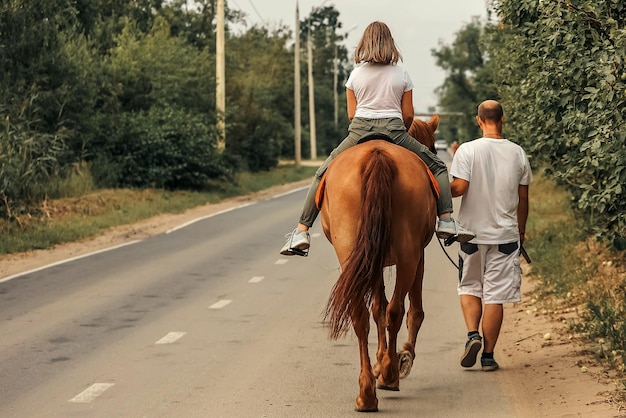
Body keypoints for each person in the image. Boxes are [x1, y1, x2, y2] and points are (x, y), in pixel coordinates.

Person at [280, 21, 474, 256]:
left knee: (323, 172)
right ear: (390, 43)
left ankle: (302, 231)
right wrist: (399, 131)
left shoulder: (355, 75)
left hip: (360, 130)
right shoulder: (402, 73)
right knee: (439, 166)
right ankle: (445, 220)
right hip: (394, 130)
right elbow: (409, 114)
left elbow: (352, 114)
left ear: (365, 43)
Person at [449, 100, 532, 371]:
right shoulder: (518, 153)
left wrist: (435, 189)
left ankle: (472, 333)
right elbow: (523, 198)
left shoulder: (467, 150)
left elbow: (459, 188)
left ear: (479, 120)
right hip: (506, 237)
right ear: (503, 119)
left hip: (471, 235)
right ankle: (488, 356)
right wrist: (521, 232)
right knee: (495, 296)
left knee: (469, 286)